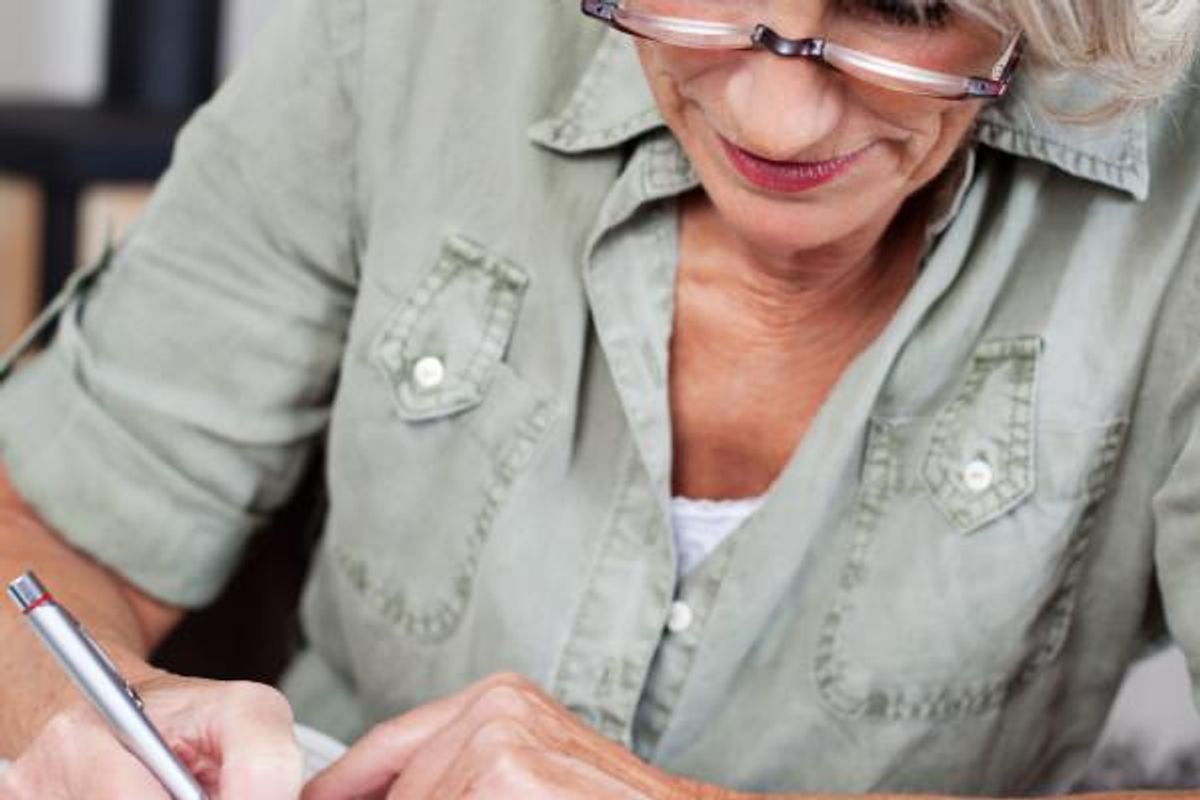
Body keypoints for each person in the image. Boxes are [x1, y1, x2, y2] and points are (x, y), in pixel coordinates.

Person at [1, 0, 1199, 796]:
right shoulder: (416, 32)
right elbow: (38, 529)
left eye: (909, 5)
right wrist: (114, 711)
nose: (772, 116)